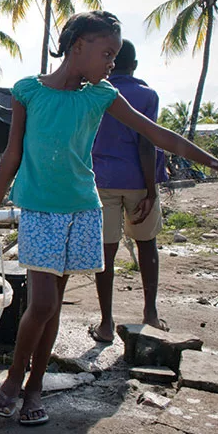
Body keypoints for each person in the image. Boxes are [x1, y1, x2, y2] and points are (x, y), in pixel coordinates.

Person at [0, 11, 218, 426]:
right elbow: (13, 155)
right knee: (44, 302)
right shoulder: (27, 91)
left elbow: (160, 136)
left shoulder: (100, 95)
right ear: (78, 47)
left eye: (114, 55)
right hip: (40, 210)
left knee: (51, 309)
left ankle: (35, 385)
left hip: (83, 211)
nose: (112, 62)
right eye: (107, 53)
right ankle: (14, 381)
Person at [90, 39, 169, 343]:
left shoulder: (98, 93)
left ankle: (106, 324)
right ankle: (150, 313)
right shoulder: (147, 95)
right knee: (146, 244)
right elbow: (147, 143)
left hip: (101, 182)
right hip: (138, 180)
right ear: (134, 65)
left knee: (105, 253)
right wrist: (151, 189)